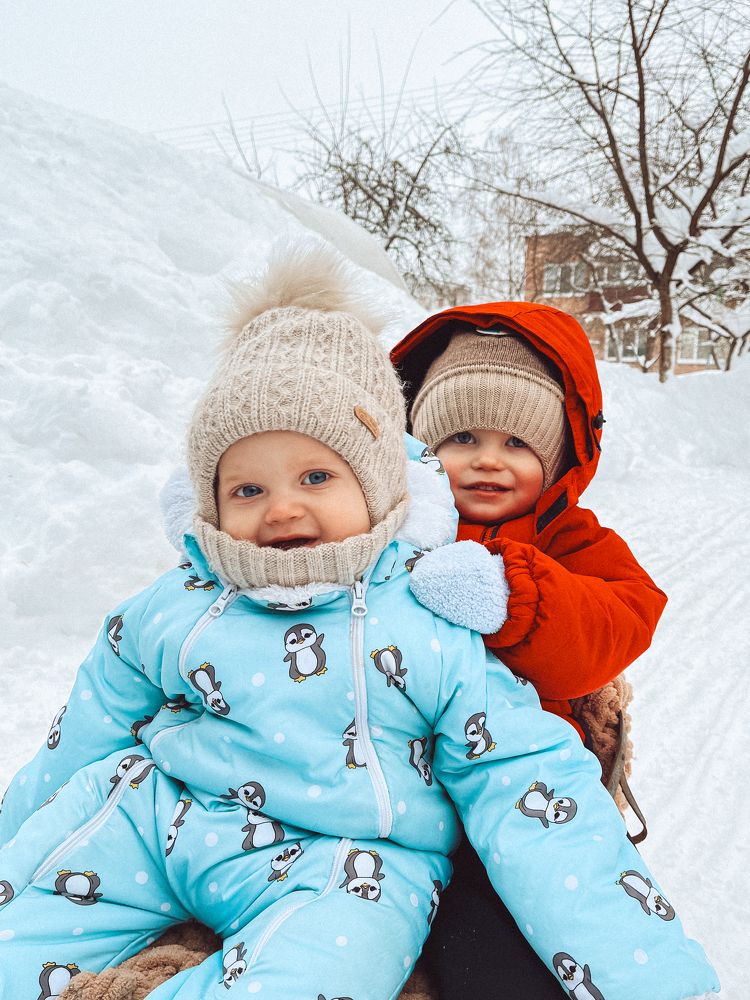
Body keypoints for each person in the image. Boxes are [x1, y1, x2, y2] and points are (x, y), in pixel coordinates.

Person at [0, 246, 716, 1000]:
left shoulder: (425, 609)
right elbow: (85, 732)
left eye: (316, 477)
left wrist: (650, 980)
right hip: (156, 818)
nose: (281, 508)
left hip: (343, 855)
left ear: (380, 482)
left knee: (321, 969)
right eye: (246, 487)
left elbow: (526, 776)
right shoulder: (174, 600)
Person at [391, 302, 670, 997]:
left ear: (556, 457)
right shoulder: (386, 528)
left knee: (500, 939)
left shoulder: (569, 541)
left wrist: (517, 596)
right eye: (461, 436)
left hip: (517, 794)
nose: (489, 459)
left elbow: (622, 618)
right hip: (387, 783)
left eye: (518, 443)